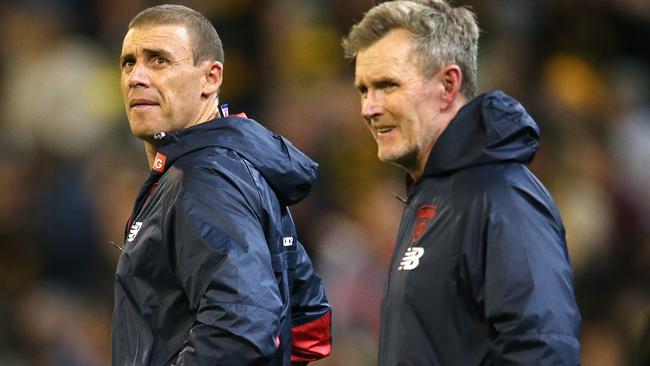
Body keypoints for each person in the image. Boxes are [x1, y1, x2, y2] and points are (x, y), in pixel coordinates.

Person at [342, 1, 581, 364]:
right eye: (363, 90)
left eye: (387, 85)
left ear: (448, 84)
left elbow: (544, 349)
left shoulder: (502, 197)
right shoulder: (434, 196)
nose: (368, 108)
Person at [112, 5, 331, 365]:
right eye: (128, 62)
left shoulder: (203, 181)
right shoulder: (233, 166)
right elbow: (309, 324)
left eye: (159, 61)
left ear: (211, 78)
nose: (137, 76)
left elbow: (243, 327)